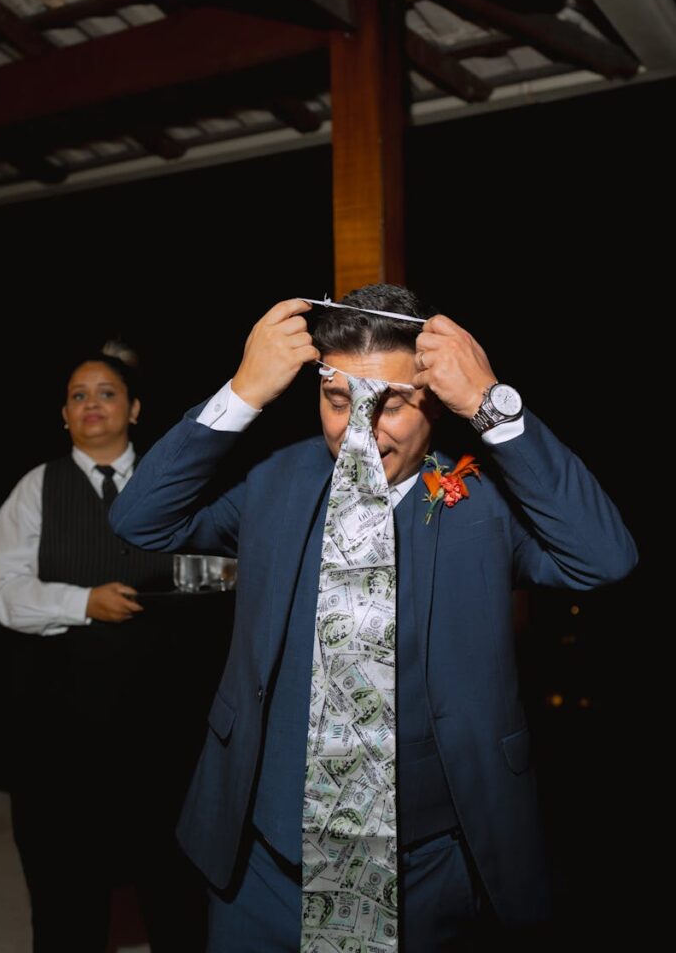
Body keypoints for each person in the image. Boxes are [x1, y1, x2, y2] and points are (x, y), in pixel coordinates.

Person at [109, 286, 638, 953]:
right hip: (262, 862)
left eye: (388, 403)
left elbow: (604, 558)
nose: (360, 427)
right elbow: (139, 521)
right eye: (338, 401)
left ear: (435, 402)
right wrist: (241, 392)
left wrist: (491, 405)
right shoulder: (275, 480)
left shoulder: (484, 502)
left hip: (431, 866)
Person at [0, 342, 207, 953]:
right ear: (63, 415)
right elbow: (2, 589)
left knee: (176, 898)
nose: (92, 404)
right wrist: (82, 603)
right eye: (78, 395)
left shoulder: (174, 484)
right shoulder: (37, 486)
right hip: (61, 738)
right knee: (66, 904)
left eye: (106, 392)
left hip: (164, 734)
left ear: (134, 409)